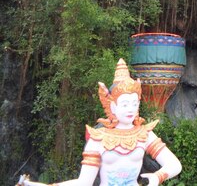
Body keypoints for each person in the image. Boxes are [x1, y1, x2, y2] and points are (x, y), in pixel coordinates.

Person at [18, 59, 182, 186]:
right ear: (112, 105)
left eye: (134, 103)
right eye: (125, 104)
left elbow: (174, 164)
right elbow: (84, 183)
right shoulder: (98, 138)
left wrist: (157, 176)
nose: (130, 109)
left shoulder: (144, 134)